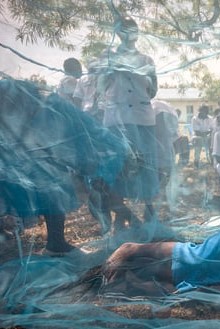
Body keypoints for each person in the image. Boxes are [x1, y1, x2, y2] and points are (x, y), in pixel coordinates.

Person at [0, 78, 128, 255]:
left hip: (37, 161)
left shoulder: (51, 107)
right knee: (48, 190)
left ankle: (56, 243)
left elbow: (86, 128)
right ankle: (53, 242)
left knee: (52, 192)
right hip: (23, 161)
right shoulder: (35, 107)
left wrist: (115, 146)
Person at [97, 15, 160, 228]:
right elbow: (101, 86)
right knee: (120, 166)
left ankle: (150, 213)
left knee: (146, 164)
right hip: (117, 119)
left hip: (143, 119)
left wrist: (139, 96)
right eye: (124, 29)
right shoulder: (107, 57)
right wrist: (113, 71)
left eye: (132, 29)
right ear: (117, 33)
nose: (128, 34)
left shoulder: (147, 60)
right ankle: (121, 216)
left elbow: (153, 90)